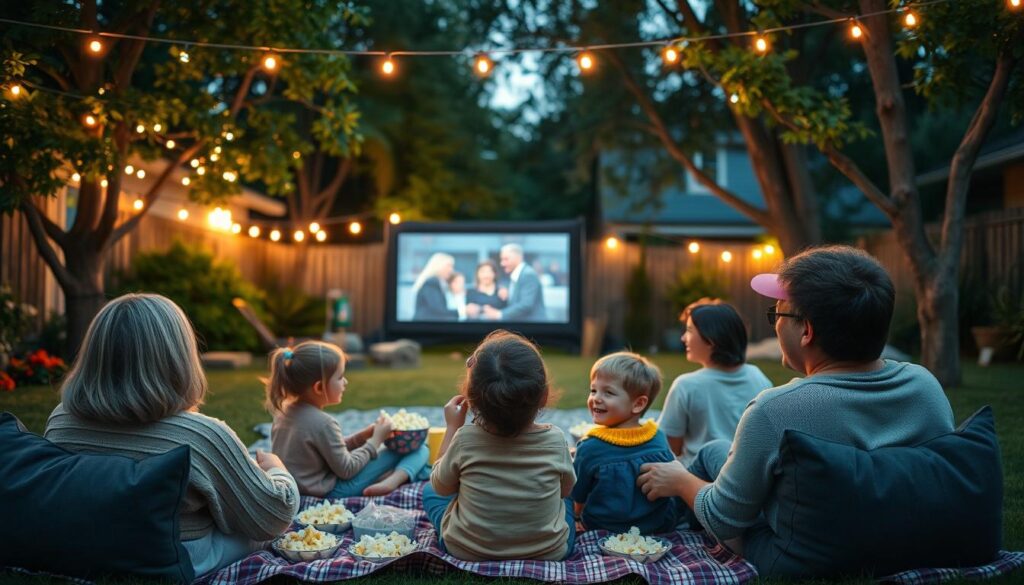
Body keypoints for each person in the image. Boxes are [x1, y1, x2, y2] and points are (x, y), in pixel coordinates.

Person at [636, 245, 955, 576]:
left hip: (802, 555)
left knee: (706, 477)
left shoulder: (775, 409)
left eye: (777, 314)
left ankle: (652, 520)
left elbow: (722, 518)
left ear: (806, 331)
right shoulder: (924, 385)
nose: (775, 325)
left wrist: (681, 481)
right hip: (905, 538)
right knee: (715, 449)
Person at [44, 293, 299, 577]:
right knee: (258, 531)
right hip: (174, 557)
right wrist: (277, 470)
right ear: (179, 358)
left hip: (83, 547)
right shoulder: (201, 436)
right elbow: (273, 517)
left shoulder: (60, 420)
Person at [422, 330, 576, 561]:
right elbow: (565, 491)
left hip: (467, 550)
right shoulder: (555, 440)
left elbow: (441, 487)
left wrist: (452, 427)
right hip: (547, 552)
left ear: (470, 399)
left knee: (429, 491)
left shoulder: (464, 439)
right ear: (543, 397)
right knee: (568, 503)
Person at [268, 340, 428, 498]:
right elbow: (347, 469)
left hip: (297, 487)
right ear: (319, 387)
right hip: (332, 491)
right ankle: (391, 481)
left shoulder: (284, 412)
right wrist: (375, 441)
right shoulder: (324, 423)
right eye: (340, 377)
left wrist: (362, 436)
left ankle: (389, 476)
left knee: (410, 450)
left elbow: (328, 450)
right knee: (419, 448)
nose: (345, 382)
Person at [572, 352, 679, 534]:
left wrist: (576, 517)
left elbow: (577, 495)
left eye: (609, 392)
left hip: (606, 527)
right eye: (593, 390)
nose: (596, 398)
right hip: (659, 525)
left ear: (638, 404)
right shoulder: (658, 436)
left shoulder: (589, 448)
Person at [658, 299, 772, 466]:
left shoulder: (686, 385)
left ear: (711, 339)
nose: (683, 338)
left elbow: (669, 450)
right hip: (743, 476)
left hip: (696, 481)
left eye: (689, 330)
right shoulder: (759, 377)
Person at [481, 243, 547, 322]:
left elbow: (526, 305)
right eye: (501, 259)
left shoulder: (528, 274)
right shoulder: (517, 275)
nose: (502, 263)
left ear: (518, 257)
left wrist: (499, 314)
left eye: (506, 259)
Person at [412, 252, 459, 321]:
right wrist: (462, 311)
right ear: (439, 266)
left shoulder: (437, 283)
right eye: (449, 266)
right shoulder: (431, 283)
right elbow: (438, 310)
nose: (451, 270)